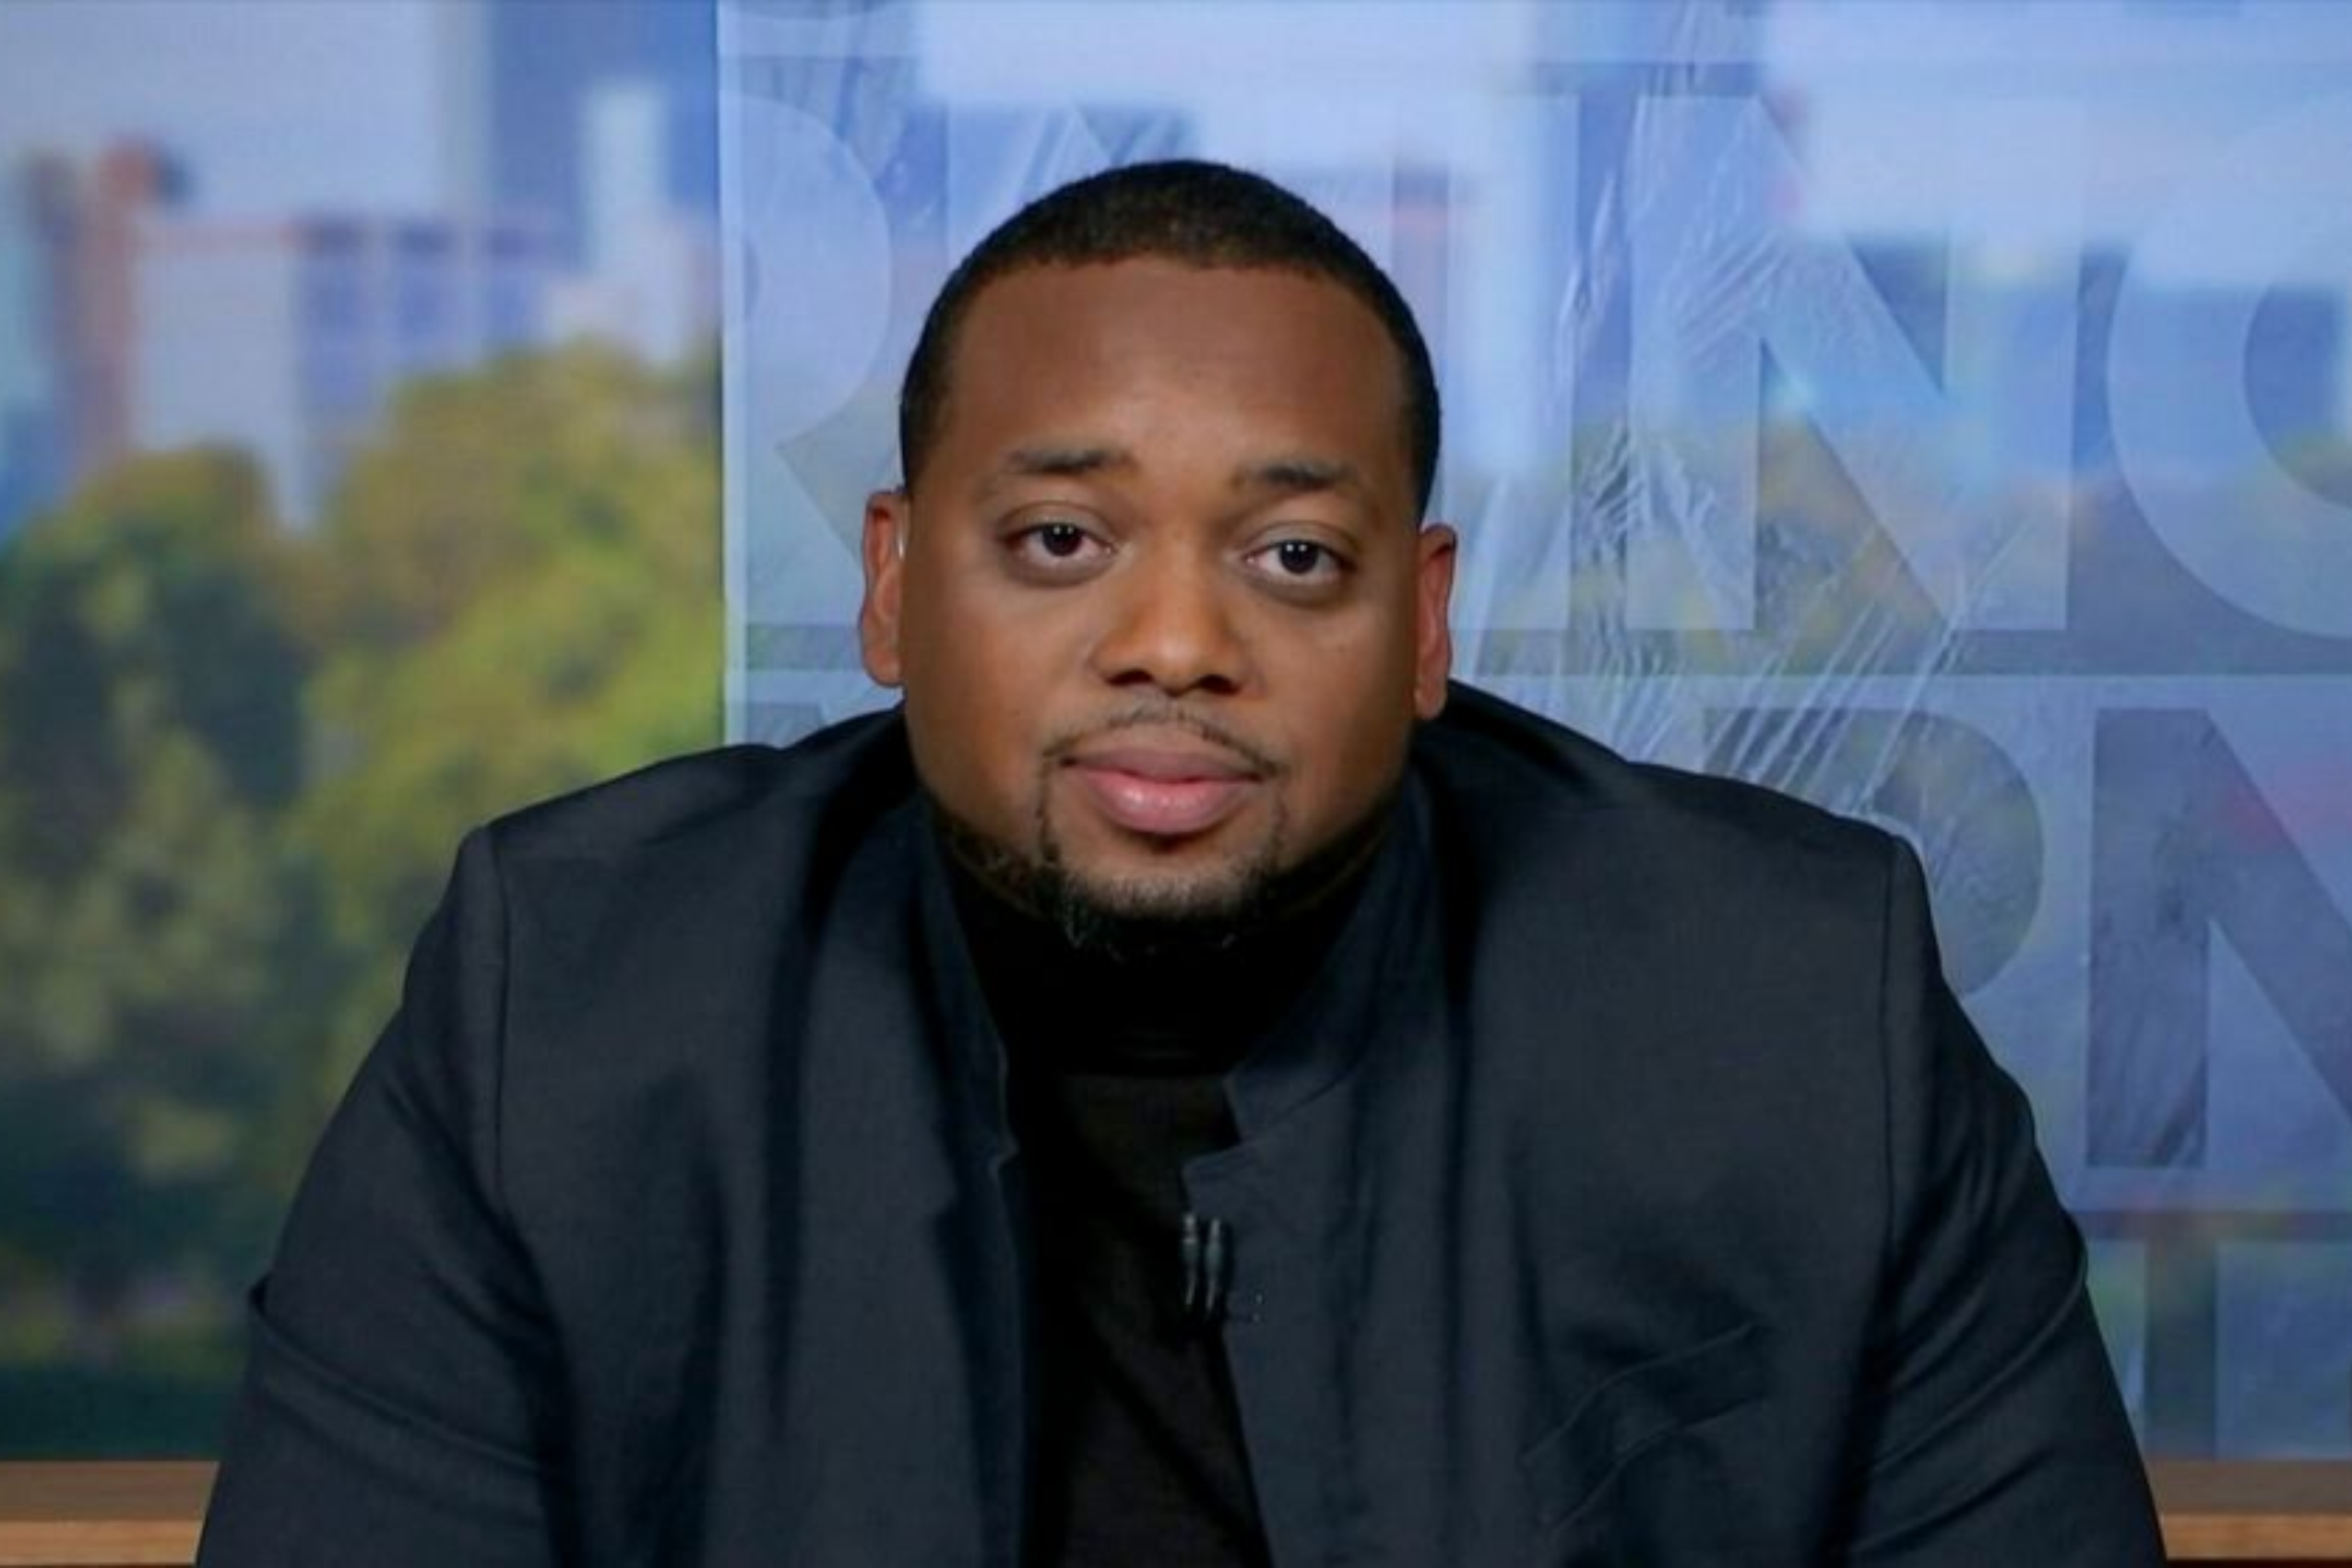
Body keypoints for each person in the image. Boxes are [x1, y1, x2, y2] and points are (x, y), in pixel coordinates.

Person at [198, 160, 2164, 1565]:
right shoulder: (572, 998)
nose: (1171, 642)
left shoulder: (1795, 1007)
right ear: (891, 581)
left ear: (1423, 623)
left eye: (1293, 556)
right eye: (1060, 541)